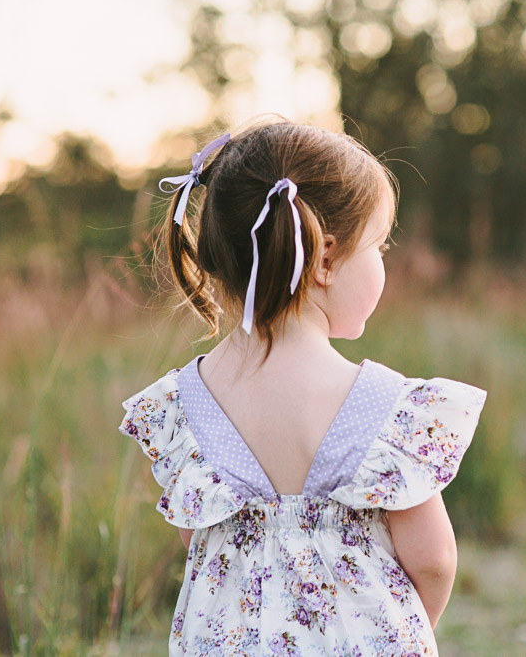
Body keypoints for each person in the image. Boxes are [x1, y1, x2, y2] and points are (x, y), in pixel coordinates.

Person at [118, 117, 487, 655]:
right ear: (325, 259)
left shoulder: (184, 408)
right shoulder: (384, 410)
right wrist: (400, 626)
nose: (383, 264)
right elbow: (432, 560)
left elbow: (198, 542)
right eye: (379, 247)